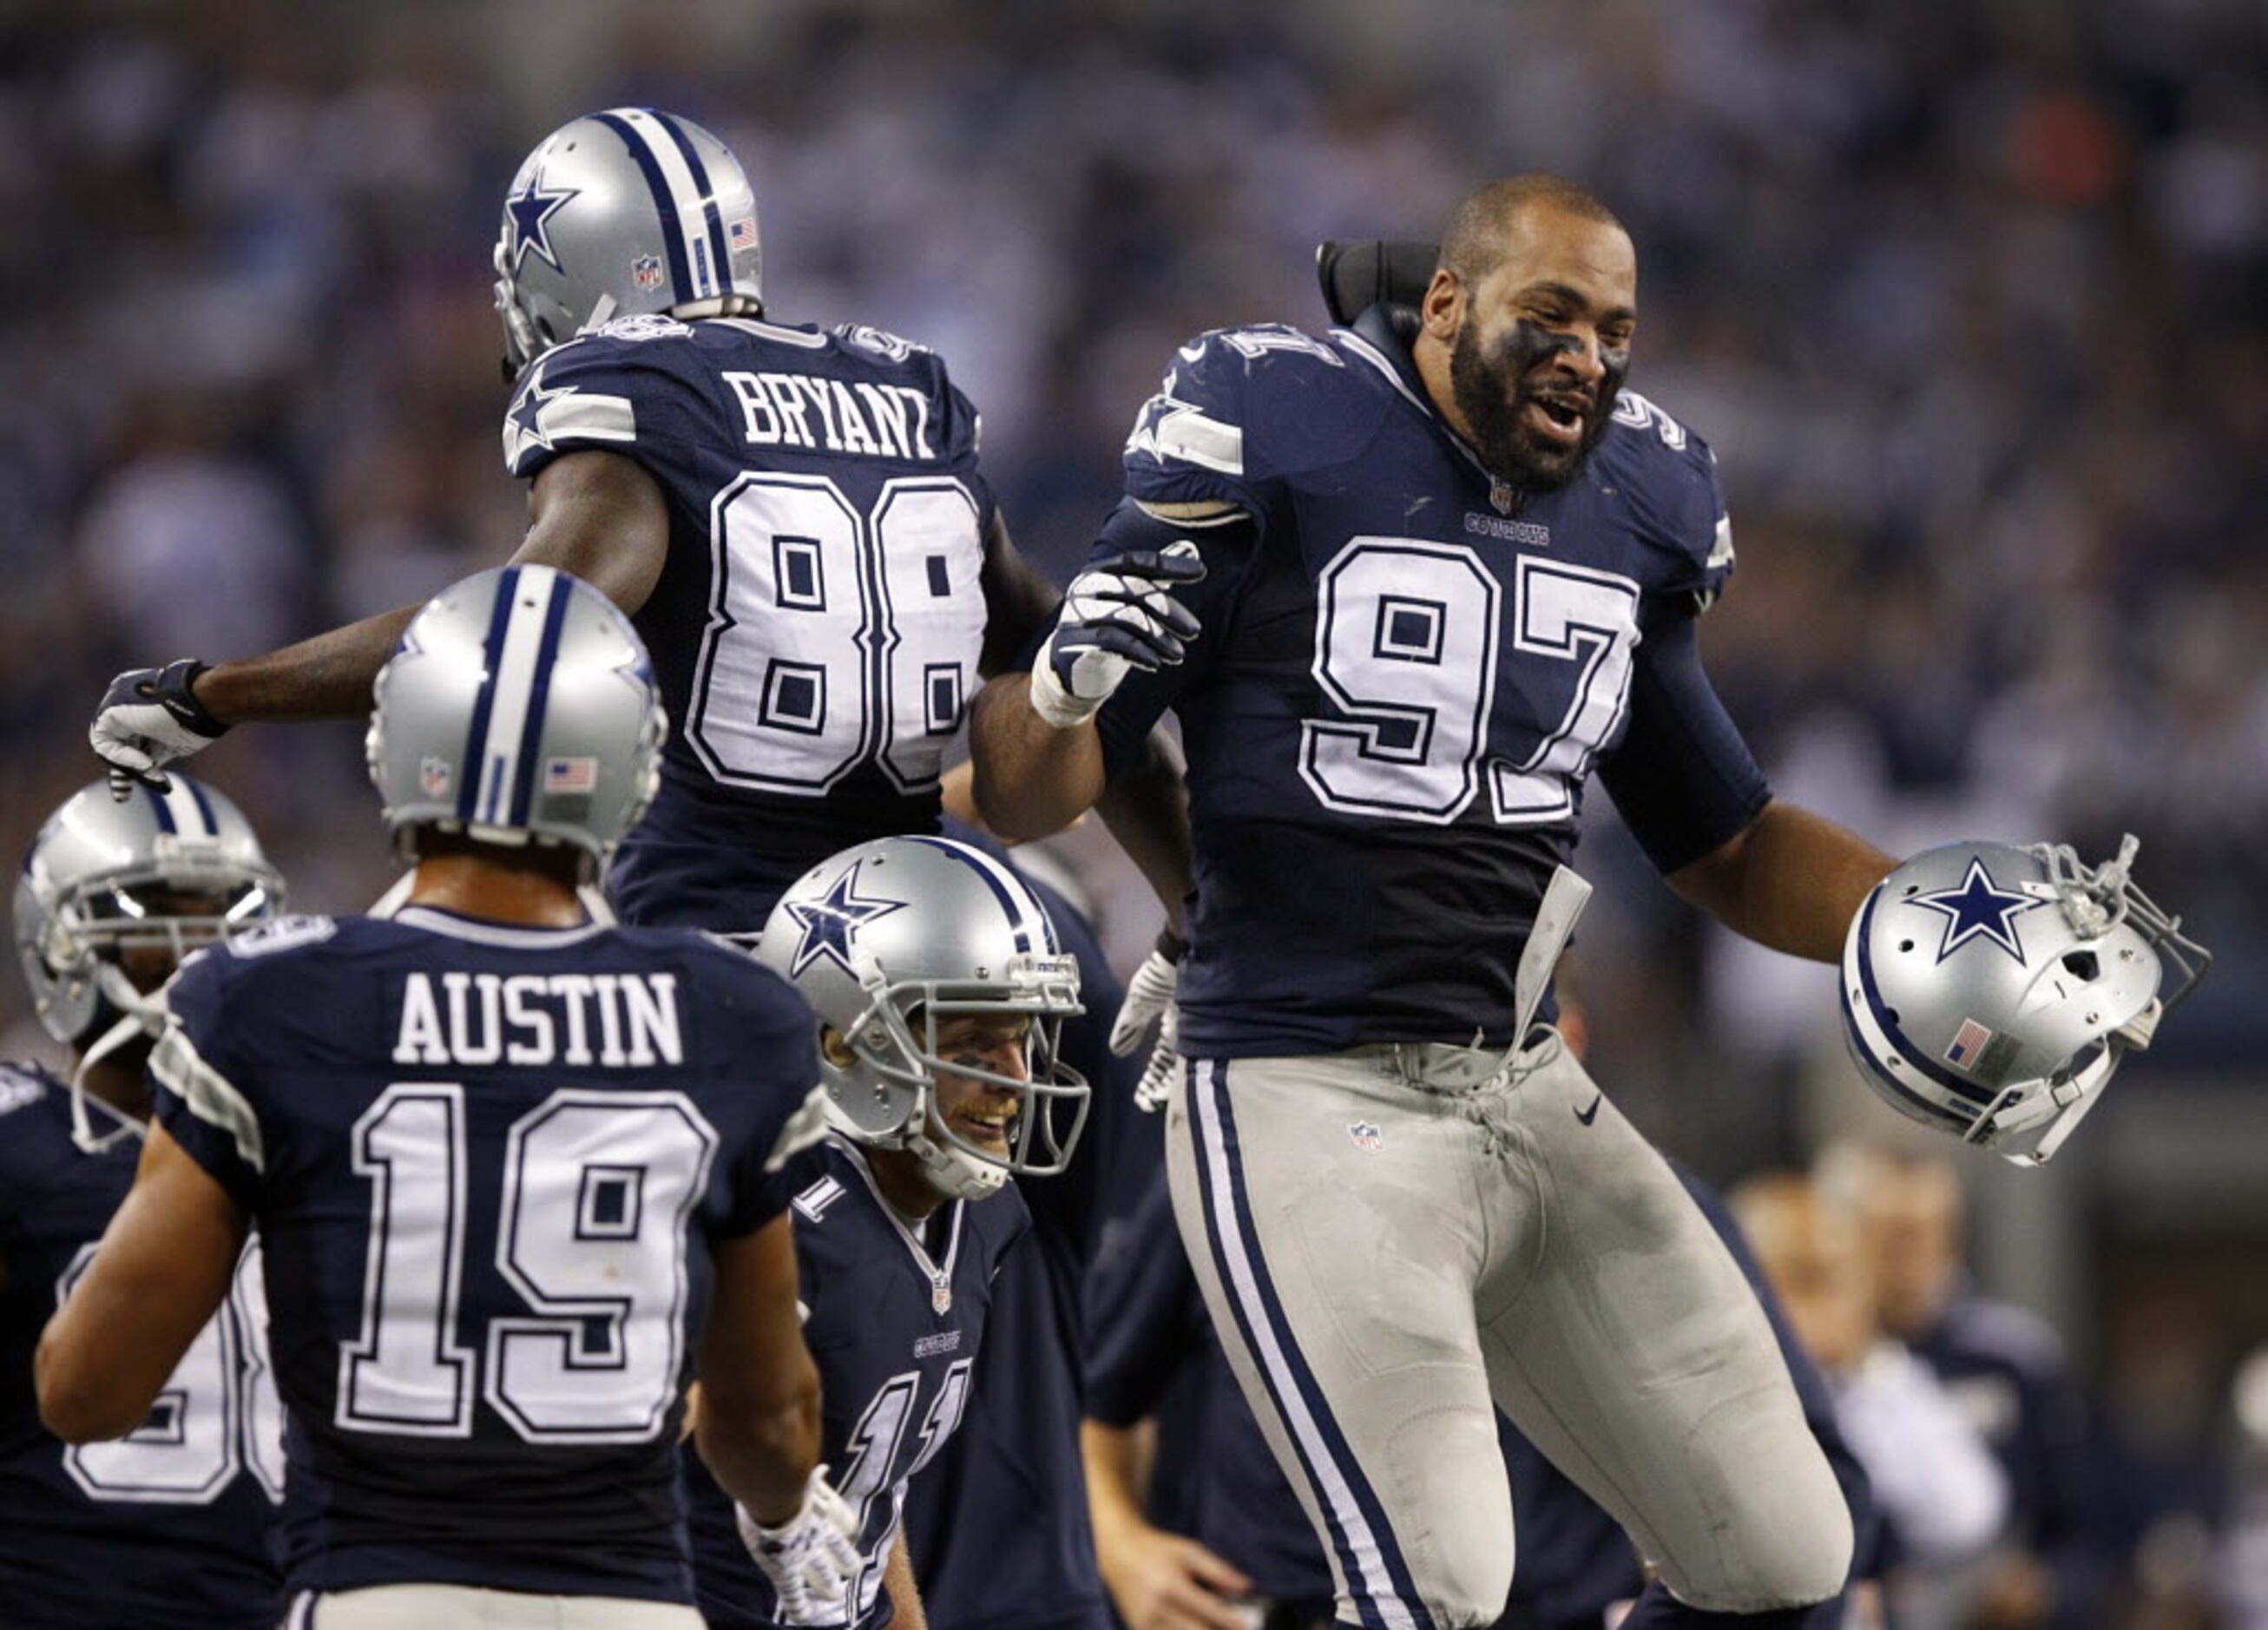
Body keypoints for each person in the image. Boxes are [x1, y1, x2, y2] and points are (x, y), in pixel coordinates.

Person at [970, 173, 1914, 1627]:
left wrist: (1913, 914)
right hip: (1296, 1075)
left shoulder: (1638, 502)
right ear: (1447, 306)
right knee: (1433, 1581)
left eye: (1613, 329)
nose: (1586, 357)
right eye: (1551, 314)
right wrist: (1064, 682)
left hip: (1521, 1077)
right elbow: (1039, 789)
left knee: (1786, 1555)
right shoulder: (1274, 423)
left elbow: (1724, 840)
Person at [85, 106, 1187, 934]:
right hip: (919, 928)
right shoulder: (906, 389)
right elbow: (1077, 672)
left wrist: (218, 692)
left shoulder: (632, 387)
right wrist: (1193, 924)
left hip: (703, 935)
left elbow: (523, 627)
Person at [38, 566, 849, 1626]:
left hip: (377, 1591)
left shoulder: (272, 999)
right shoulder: (731, 1013)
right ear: (634, 771)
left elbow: (89, 1388)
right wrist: (783, 1518)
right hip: (629, 1603)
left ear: (395, 750)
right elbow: (768, 1421)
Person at [1083, 1140, 1883, 1630]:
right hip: (1282, 1610)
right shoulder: (1234, 1181)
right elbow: (1093, 1399)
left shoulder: (1638, 1203)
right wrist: (1122, 1549)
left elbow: (1810, 1484)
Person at [683, 832, 1091, 1628]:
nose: (1013, 1079)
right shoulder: (775, 1209)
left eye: (1023, 1037)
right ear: (846, 1044)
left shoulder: (980, 1215)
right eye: (973, 1043)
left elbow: (874, 1488)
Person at [2, 776, 287, 1626]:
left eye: (223, 919)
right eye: (151, 919)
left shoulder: (326, 1142)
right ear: (59, 948)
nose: (193, 952)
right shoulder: (21, 1140)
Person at [1818, 1143, 2110, 1627]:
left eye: (1928, 1235)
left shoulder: (2013, 1359)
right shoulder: (1813, 1369)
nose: (1910, 1258)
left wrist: (2045, 1586)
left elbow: (2091, 1529)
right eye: (1891, 1238)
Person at [1732, 1172, 2008, 1627]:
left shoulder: (1881, 1377)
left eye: (1842, 1278)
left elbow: (1967, 1512)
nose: (1831, 1303)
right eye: (1804, 1278)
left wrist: (1859, 1377)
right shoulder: (1716, 1393)